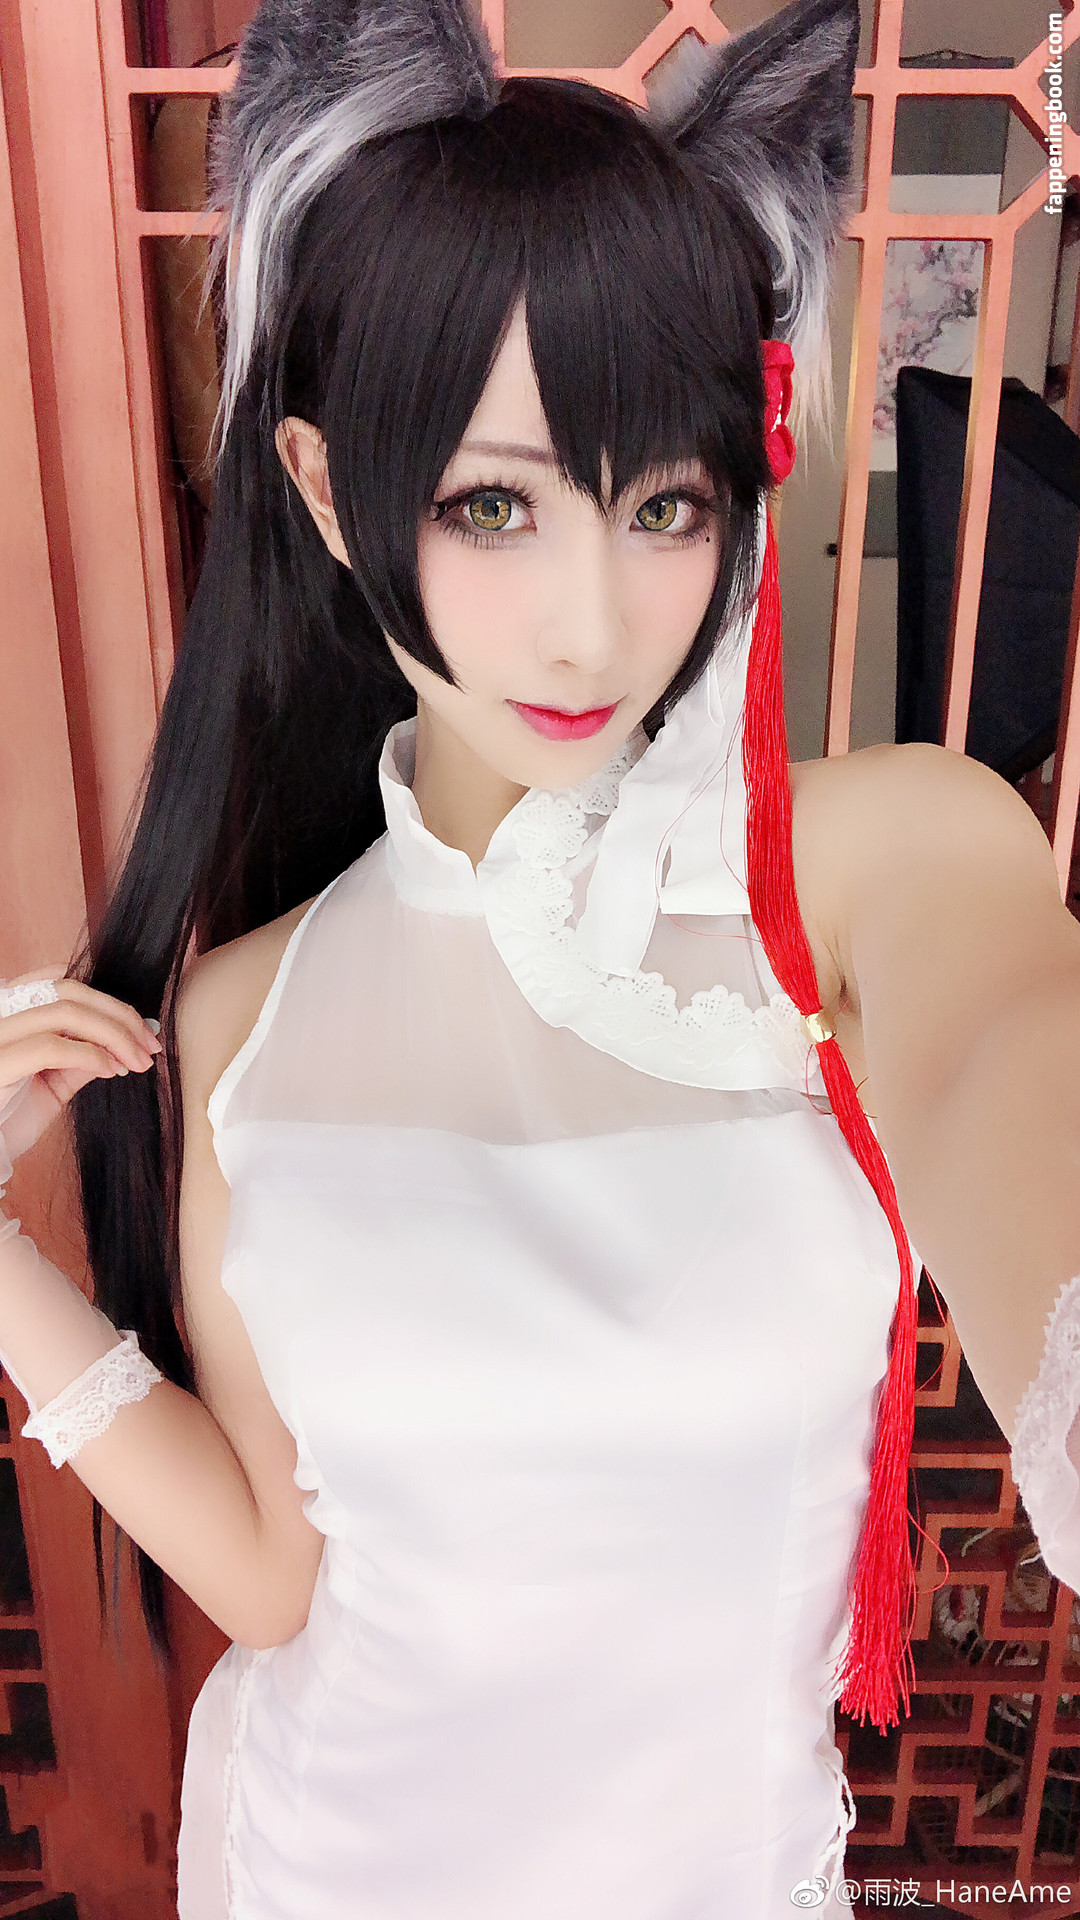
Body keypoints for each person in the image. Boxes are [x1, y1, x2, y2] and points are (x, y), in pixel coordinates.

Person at [1, 0, 1078, 1912]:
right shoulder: (244, 1008)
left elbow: (1022, 1068)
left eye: (664, 505)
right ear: (325, 489)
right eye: (491, 504)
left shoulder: (875, 865)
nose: (593, 623)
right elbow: (275, 1580)